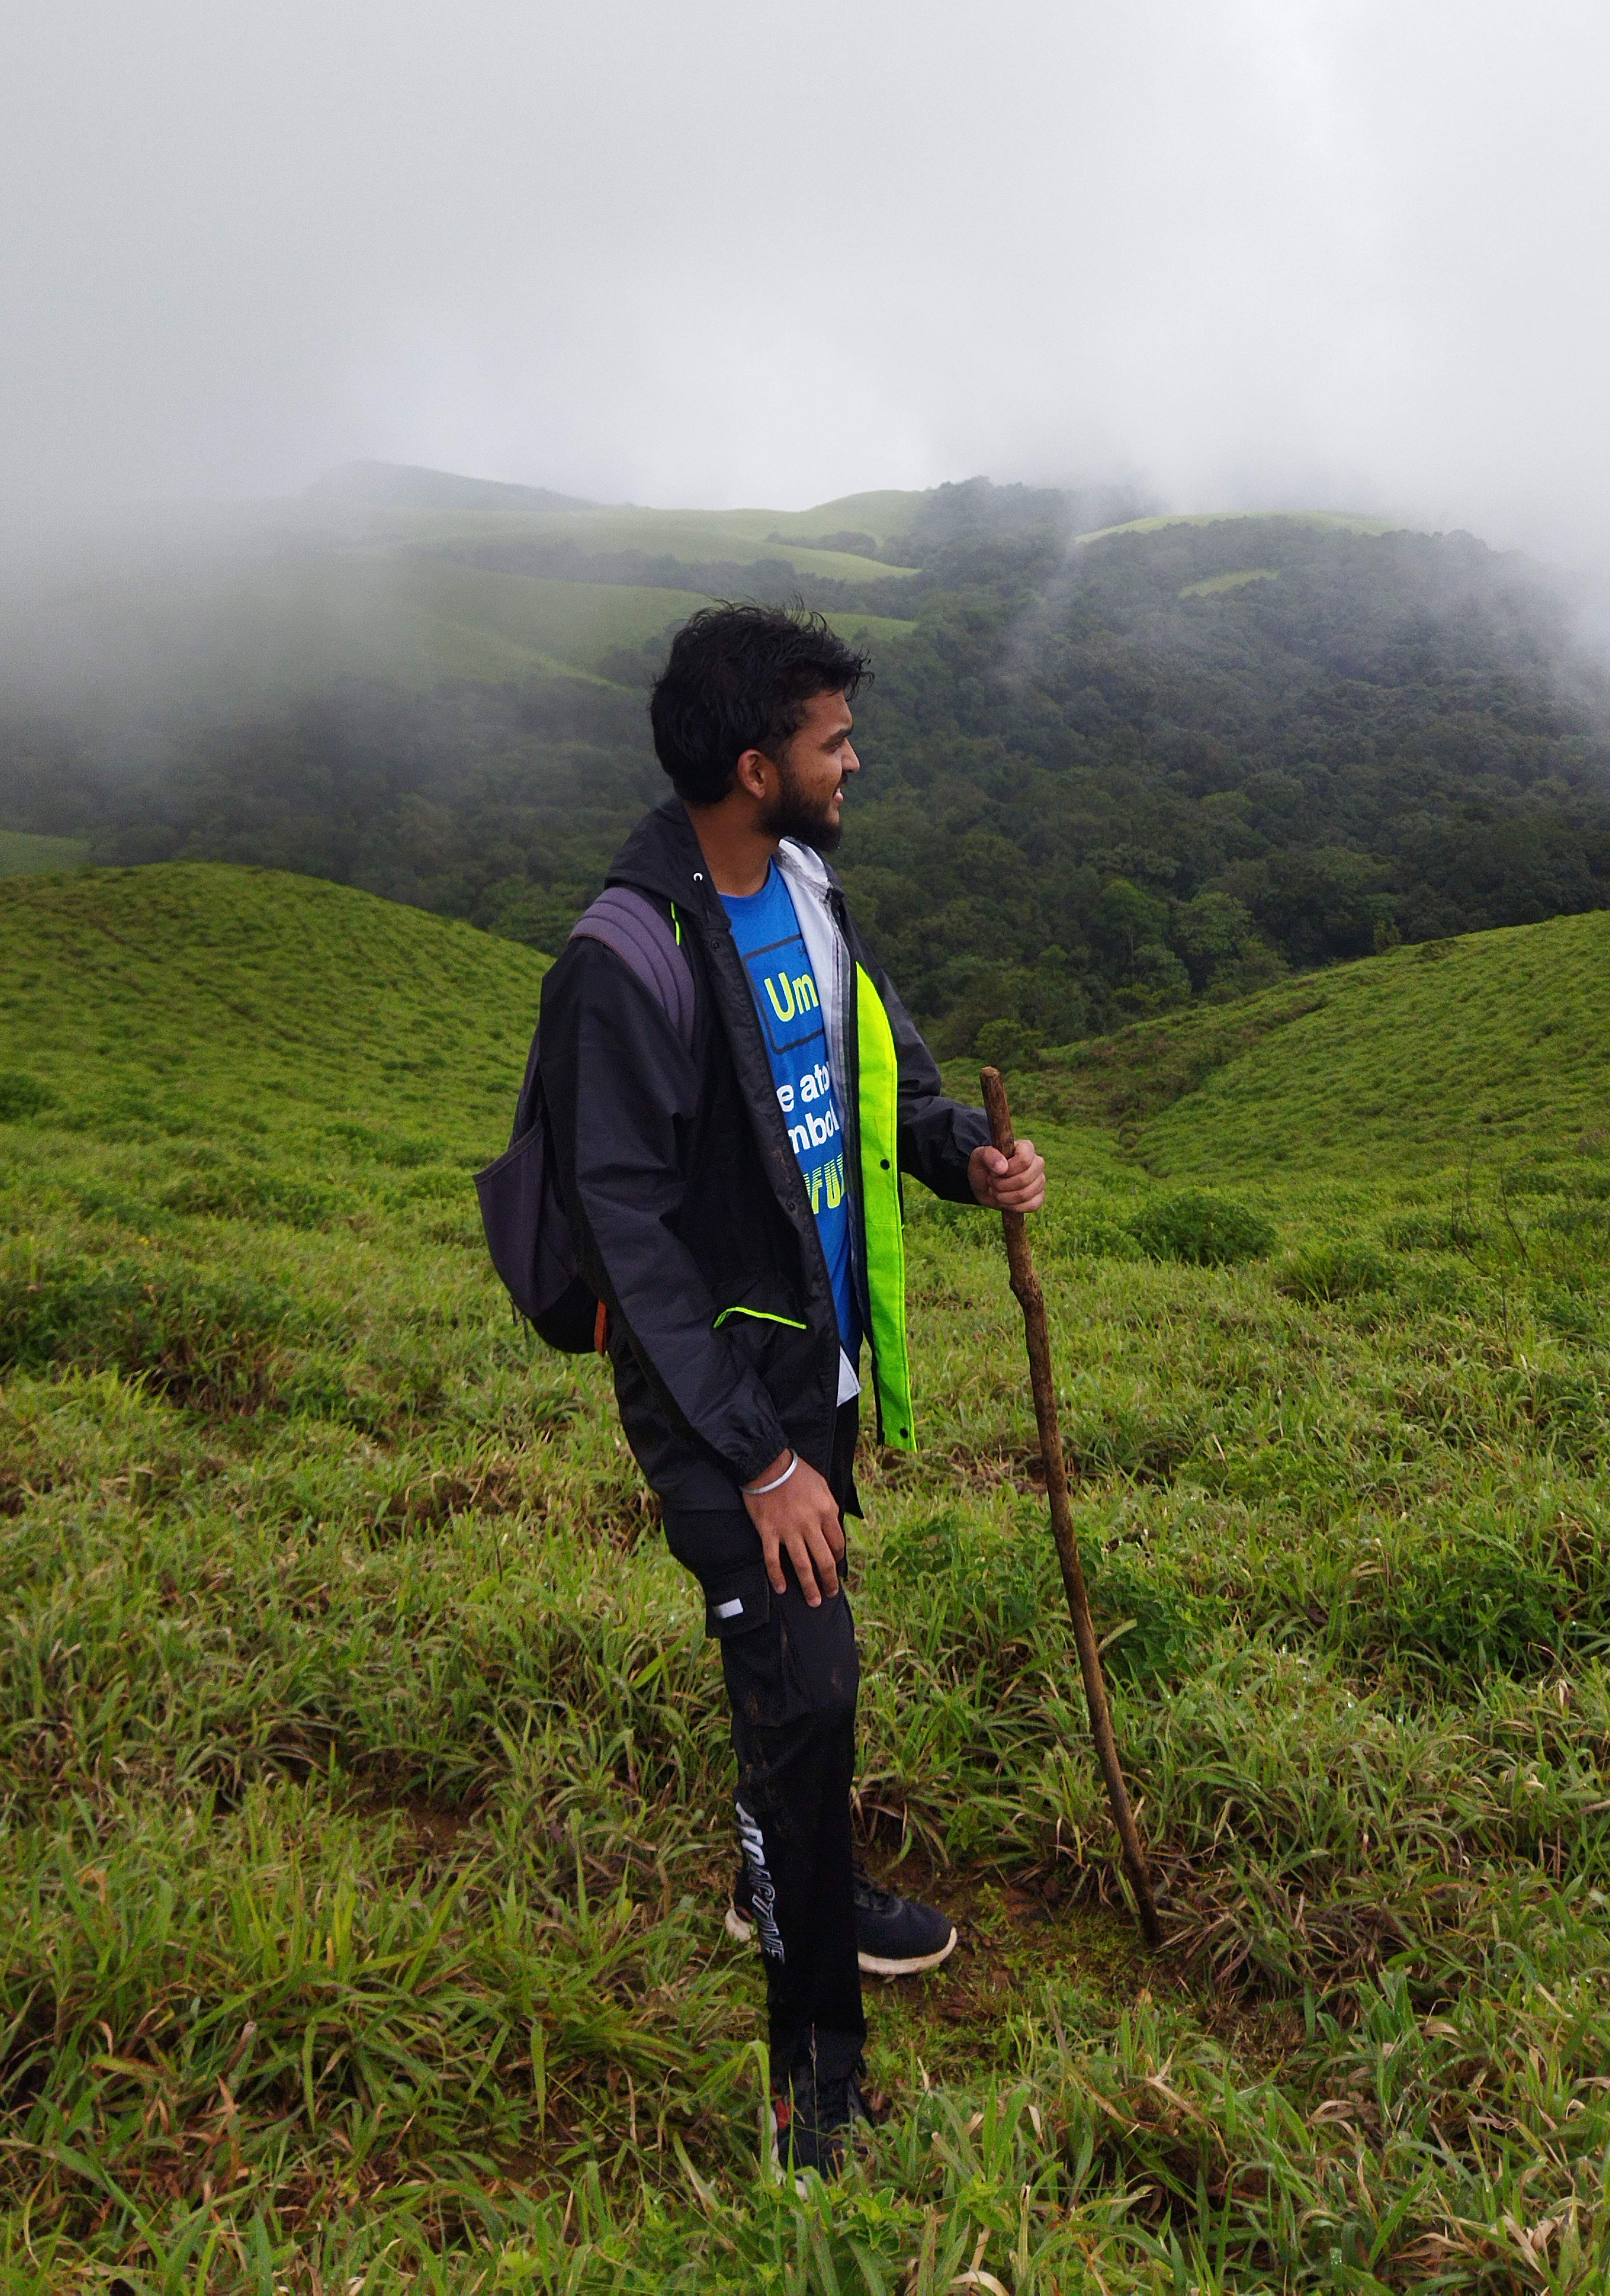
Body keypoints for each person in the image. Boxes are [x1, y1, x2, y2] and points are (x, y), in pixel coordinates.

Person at [532, 603, 1046, 2181]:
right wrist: (756, 1459)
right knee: (803, 1686)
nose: (855, 759)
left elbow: (876, 1073)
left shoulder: (809, 893)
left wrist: (967, 1154)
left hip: (810, 1374)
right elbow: (629, 1230)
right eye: (832, 741)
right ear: (756, 766)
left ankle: (789, 1882)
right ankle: (810, 2081)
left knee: (811, 1675)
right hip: (718, 1408)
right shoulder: (626, 960)